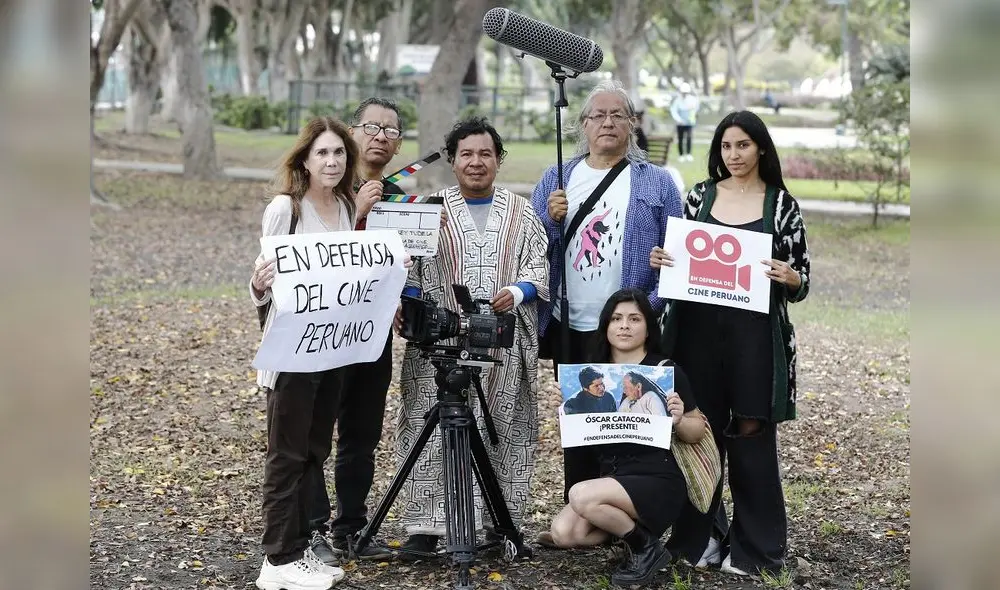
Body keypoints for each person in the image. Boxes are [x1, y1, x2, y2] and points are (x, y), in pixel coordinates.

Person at [650, 110, 811, 576]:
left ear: (760, 148)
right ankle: (701, 539)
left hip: (754, 338)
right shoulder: (700, 196)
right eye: (726, 146)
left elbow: (802, 280)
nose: (734, 155)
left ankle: (755, 549)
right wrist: (663, 259)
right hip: (696, 334)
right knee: (697, 433)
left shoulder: (781, 205)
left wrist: (790, 277)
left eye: (743, 145)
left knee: (750, 435)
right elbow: (678, 258)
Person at [393, 116, 549, 557]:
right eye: (466, 154)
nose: (476, 162)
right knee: (429, 426)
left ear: (498, 159)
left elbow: (539, 269)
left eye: (485, 153)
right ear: (452, 160)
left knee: (500, 428)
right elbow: (409, 271)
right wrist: (408, 308)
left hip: (500, 343)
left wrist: (517, 291)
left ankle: (499, 526)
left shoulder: (522, 212)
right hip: (439, 345)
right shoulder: (428, 209)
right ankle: (426, 528)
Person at [530, 79, 682, 505]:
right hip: (571, 323)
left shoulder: (657, 182)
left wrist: (651, 307)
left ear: (632, 123)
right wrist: (550, 220)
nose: (608, 122)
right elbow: (531, 247)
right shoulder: (558, 177)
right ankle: (580, 508)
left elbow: (678, 253)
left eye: (618, 114)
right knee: (581, 421)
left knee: (631, 422)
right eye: (598, 115)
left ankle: (626, 506)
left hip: (629, 326)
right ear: (584, 125)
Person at [249, 116, 360, 590]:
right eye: (323, 153)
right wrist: (259, 283)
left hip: (332, 349)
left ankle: (297, 550)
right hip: (293, 351)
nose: (332, 161)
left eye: (339, 153)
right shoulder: (286, 208)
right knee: (286, 454)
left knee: (314, 451)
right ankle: (277, 558)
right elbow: (263, 283)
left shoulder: (347, 205)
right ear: (306, 160)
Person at [301, 98, 407, 564]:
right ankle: (311, 528)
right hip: (323, 329)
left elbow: (400, 263)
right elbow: (309, 257)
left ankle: (351, 526)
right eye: (371, 127)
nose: (381, 136)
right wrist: (357, 211)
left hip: (373, 331)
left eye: (391, 130)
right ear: (351, 132)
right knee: (314, 433)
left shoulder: (399, 196)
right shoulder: (324, 188)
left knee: (362, 434)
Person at [545, 288, 708, 587]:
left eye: (634, 319)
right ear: (605, 326)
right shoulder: (594, 375)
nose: (624, 326)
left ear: (648, 328)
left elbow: (698, 432)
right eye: (616, 318)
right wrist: (565, 406)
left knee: (580, 495)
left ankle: (646, 549)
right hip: (614, 477)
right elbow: (583, 435)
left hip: (657, 479)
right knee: (565, 534)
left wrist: (680, 419)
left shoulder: (664, 370)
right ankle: (630, 536)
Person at [669, 82, 700, 162]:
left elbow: (696, 108)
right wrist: (679, 120)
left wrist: (692, 114)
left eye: (686, 92)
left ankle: (688, 154)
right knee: (680, 139)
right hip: (680, 124)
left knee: (689, 138)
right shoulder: (677, 100)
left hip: (689, 123)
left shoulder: (692, 99)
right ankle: (681, 155)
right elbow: (673, 110)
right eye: (683, 92)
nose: (684, 94)